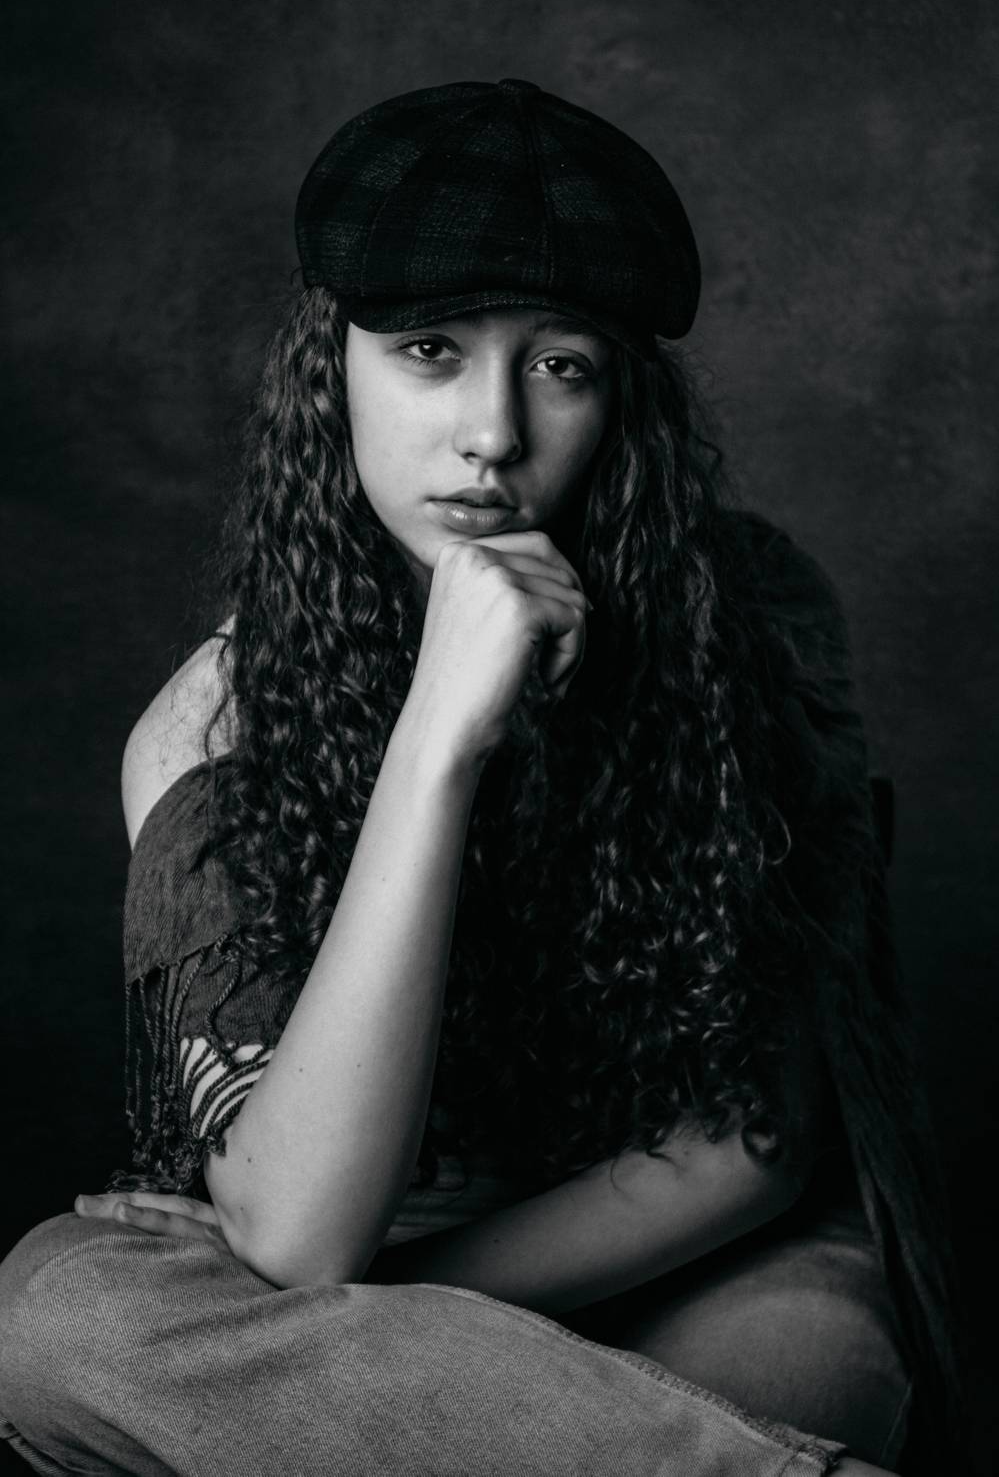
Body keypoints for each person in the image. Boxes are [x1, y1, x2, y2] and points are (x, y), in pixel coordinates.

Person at [0, 78, 961, 1477]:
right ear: (330, 369)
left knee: (807, 1365)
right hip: (349, 1266)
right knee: (54, 1318)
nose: (495, 431)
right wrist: (438, 738)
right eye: (431, 351)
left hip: (676, 1262)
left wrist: (387, 1327)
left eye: (560, 365)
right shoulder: (209, 727)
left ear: (621, 402)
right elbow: (298, 1235)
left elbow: (749, 1149)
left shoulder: (745, 621)